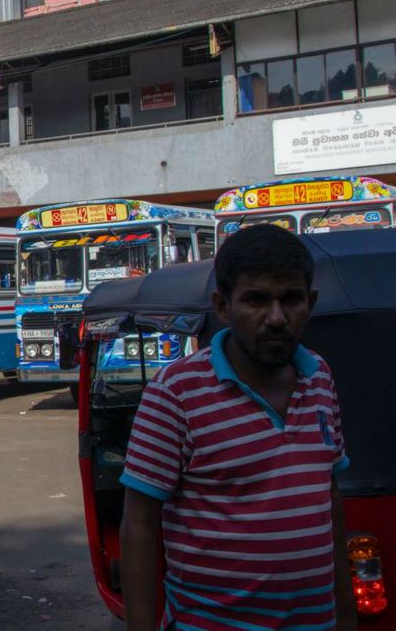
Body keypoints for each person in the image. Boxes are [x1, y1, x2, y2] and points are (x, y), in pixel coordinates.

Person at [119, 224, 355, 631]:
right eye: (256, 300)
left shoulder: (320, 378)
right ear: (222, 306)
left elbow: (327, 500)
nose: (276, 318)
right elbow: (139, 525)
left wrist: (345, 614)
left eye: (291, 299)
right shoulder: (175, 394)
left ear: (310, 302)